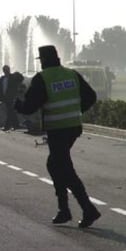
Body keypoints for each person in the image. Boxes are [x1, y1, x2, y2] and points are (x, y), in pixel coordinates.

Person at [14, 45, 101, 228]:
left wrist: (17, 104)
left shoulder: (42, 78)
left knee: (63, 168)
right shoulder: (72, 74)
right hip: (73, 127)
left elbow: (30, 107)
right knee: (55, 165)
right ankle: (65, 209)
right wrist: (76, 110)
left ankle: (86, 209)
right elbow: (91, 96)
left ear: (43, 61)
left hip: (57, 129)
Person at [0, 65, 24, 130]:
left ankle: (8, 126)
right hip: (5, 98)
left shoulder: (13, 77)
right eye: (5, 70)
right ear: (3, 71)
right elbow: (0, 87)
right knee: (10, 111)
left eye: (7, 70)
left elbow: (20, 79)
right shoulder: (2, 78)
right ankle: (16, 125)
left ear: (9, 70)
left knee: (10, 111)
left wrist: (18, 74)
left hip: (11, 97)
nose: (6, 71)